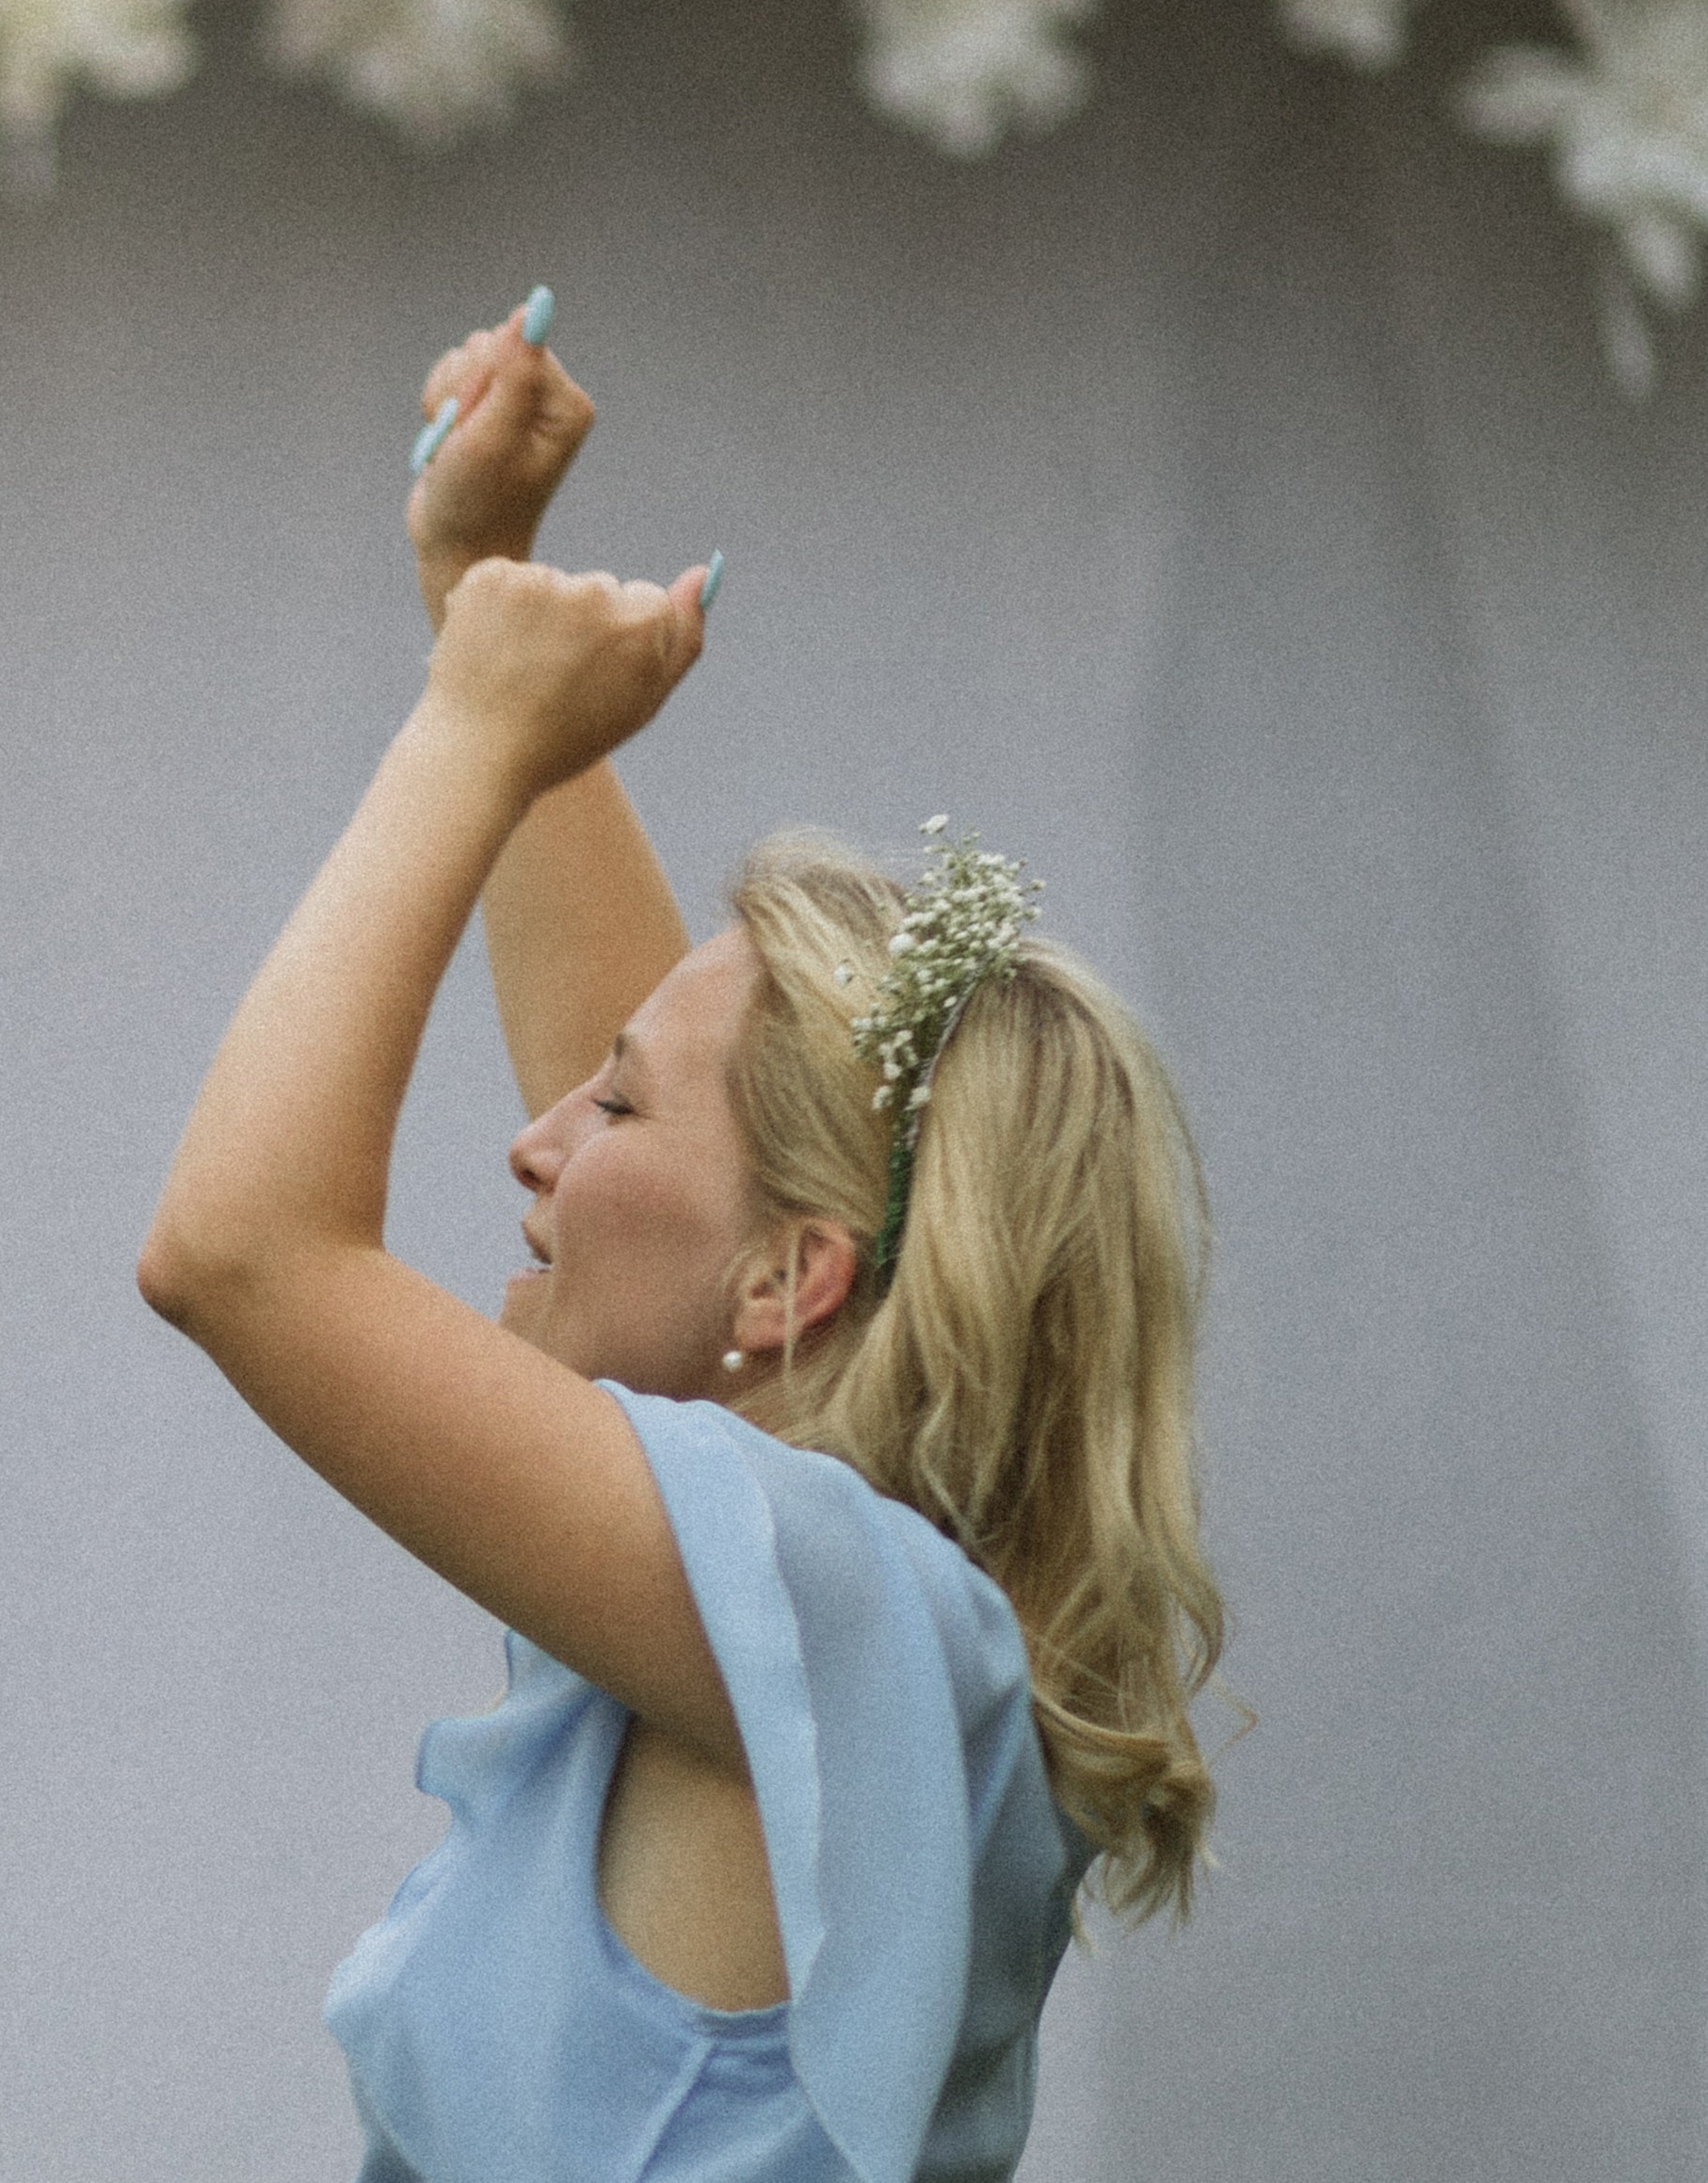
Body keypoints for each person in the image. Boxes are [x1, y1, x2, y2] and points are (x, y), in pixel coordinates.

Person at [137, 295, 1228, 2183]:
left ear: (798, 1279)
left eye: (614, 1107)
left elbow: (237, 1249)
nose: (536, 1136)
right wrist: (483, 583)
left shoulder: (840, 1601)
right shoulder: (832, 1612)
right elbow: (689, 1178)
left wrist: (475, 727)